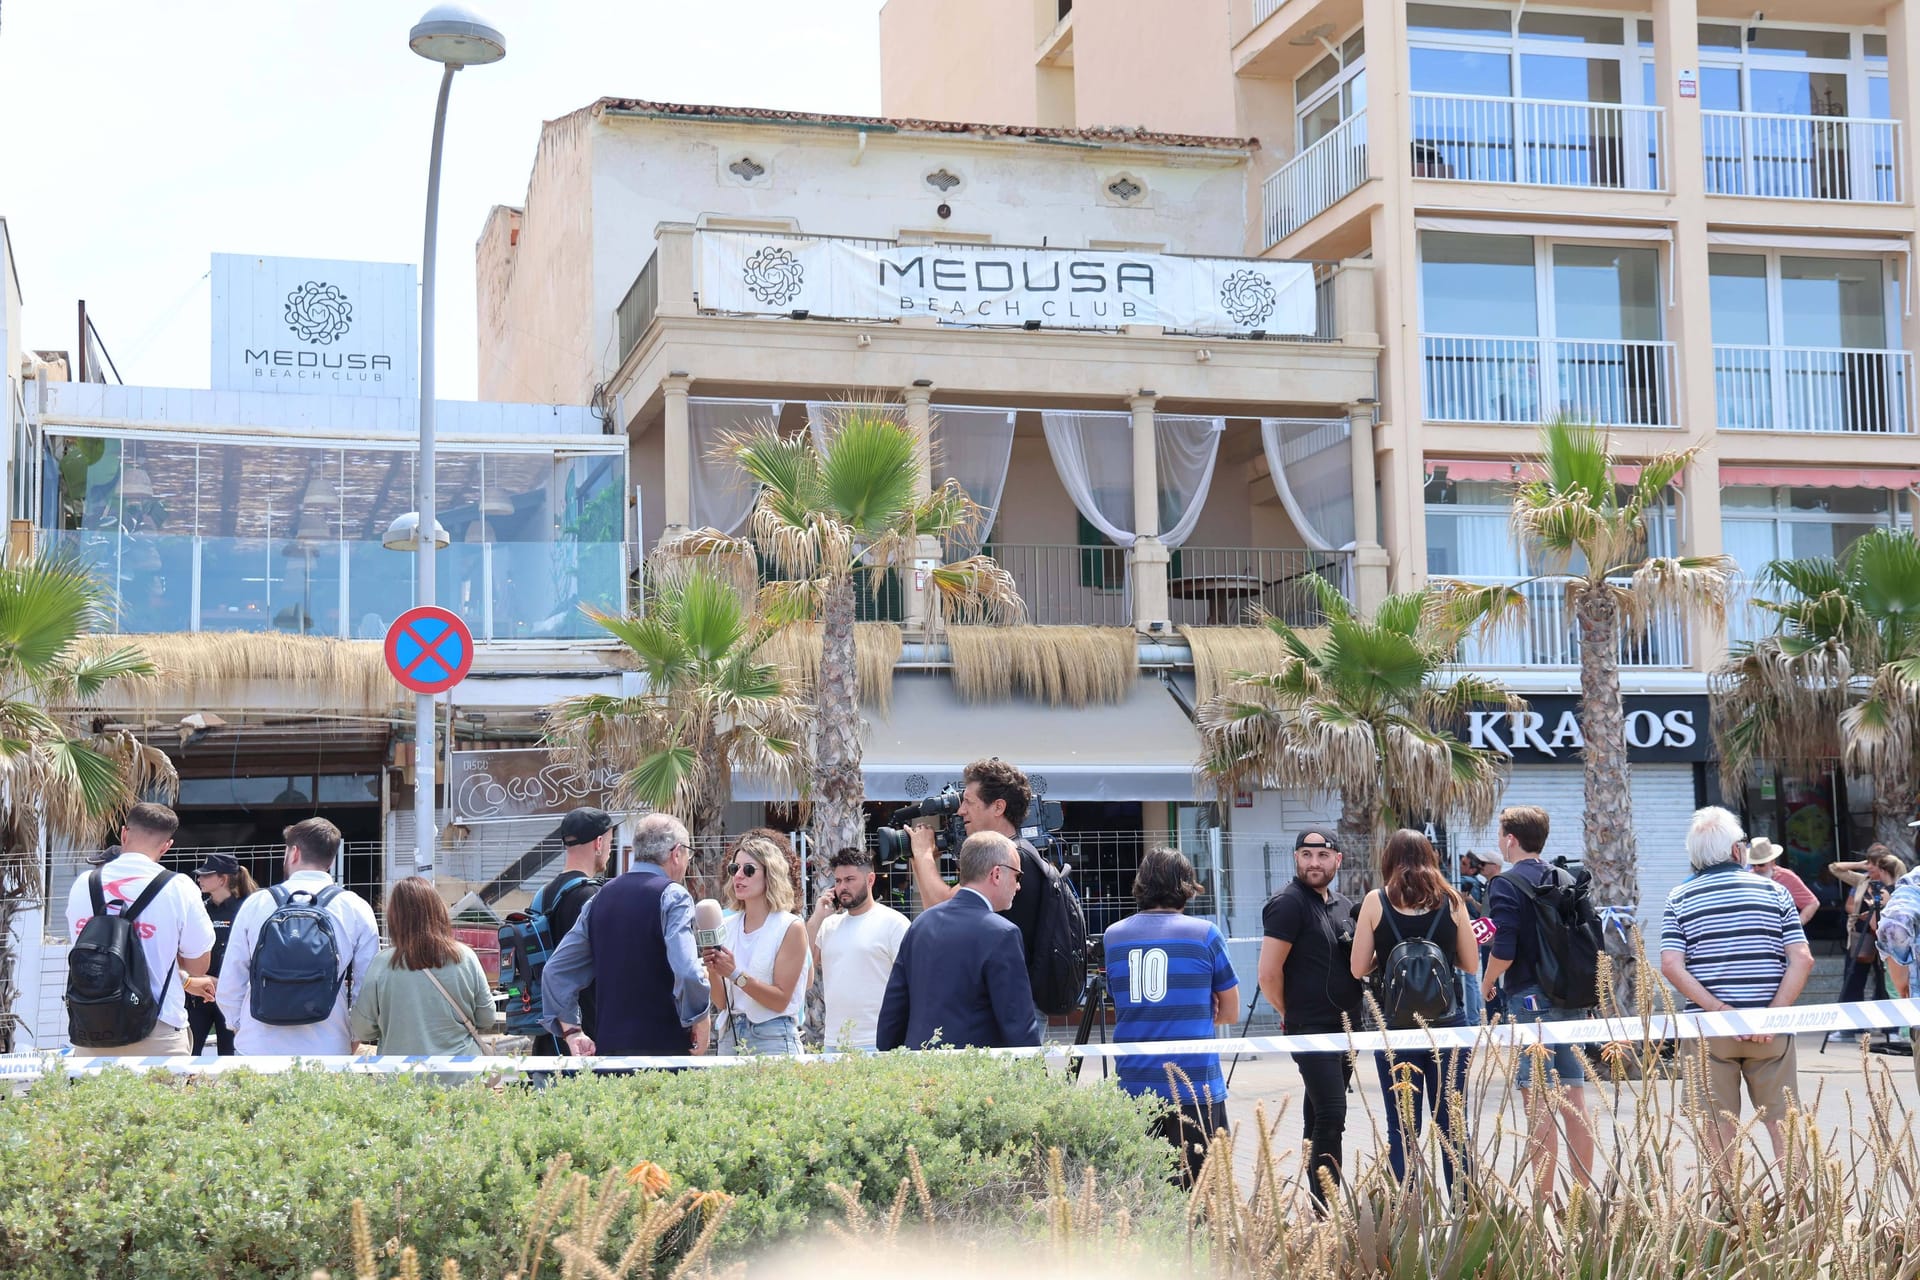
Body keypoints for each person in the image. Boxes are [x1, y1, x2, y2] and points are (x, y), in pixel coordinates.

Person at [1659, 806, 1814, 1178]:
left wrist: (1717, 1008)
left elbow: (1670, 965)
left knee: (1717, 1126)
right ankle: (1805, 1220)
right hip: (1769, 1031)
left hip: (1710, 1031)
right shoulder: (1775, 892)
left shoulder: (1679, 898)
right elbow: (1802, 958)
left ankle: (1727, 1219)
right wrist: (1772, 1014)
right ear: (1735, 851)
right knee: (1783, 1124)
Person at [1349, 828, 1479, 1192]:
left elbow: (1357, 968)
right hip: (1448, 1026)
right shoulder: (1452, 900)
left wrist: (1388, 958)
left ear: (1389, 859)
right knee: (1453, 1125)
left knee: (1402, 1127)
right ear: (1431, 857)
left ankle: (1406, 1217)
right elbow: (1470, 964)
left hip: (1396, 1028)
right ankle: (1464, 1214)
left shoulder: (1376, 901)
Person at [1106, 846, 1240, 1185]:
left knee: (1147, 1194)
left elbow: (1118, 999)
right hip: (1195, 1087)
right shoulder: (1205, 934)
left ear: (1141, 884)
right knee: (1204, 1193)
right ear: (1187, 886)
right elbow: (1231, 1011)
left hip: (1134, 1084)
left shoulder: (1113, 937)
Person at [1481, 805, 1596, 1196]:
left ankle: (1543, 1202)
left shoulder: (1505, 884)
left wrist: (1487, 981)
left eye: (1500, 835)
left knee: (1538, 1102)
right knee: (1574, 1095)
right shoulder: (1565, 876)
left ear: (1510, 839)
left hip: (1530, 1000)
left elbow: (1505, 948)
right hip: (1570, 996)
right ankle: (1583, 1194)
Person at [541, 812, 712, 1057]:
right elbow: (687, 971)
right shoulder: (674, 896)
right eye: (687, 853)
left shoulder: (599, 898)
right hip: (666, 1050)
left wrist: (572, 1032)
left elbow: (555, 971)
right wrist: (700, 1018)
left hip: (609, 1052)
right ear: (676, 853)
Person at [1258, 827, 1363, 1209]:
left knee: (1318, 1114)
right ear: (1296, 858)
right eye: (1305, 855)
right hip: (1312, 1030)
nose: (1313, 863)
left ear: (1337, 859)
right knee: (1332, 1114)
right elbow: (1268, 975)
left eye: (1322, 856)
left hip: (1349, 1029)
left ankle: (1317, 1202)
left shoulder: (1344, 906)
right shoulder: (1288, 903)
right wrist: (1294, 1016)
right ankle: (1327, 1208)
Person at [217, 817, 380, 1055]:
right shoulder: (355, 907)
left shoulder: (258, 903)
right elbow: (366, 985)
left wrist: (238, 1025)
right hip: (328, 1045)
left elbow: (232, 975)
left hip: (258, 1044)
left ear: (293, 853)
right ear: (332, 859)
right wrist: (353, 1034)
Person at [64, 803, 215, 1056]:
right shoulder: (179, 887)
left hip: (92, 1029)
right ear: (167, 846)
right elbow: (198, 965)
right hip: (158, 1028)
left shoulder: (84, 884)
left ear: (124, 834)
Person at [877, 831, 1042, 1051]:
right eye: (1017, 876)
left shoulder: (921, 923)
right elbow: (1018, 1023)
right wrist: (1037, 1078)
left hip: (917, 1069)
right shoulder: (1002, 934)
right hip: (974, 1074)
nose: (1019, 886)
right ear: (996, 874)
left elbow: (893, 1010)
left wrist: (889, 1063)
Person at [905, 759, 1046, 982]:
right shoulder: (1017, 850)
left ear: (998, 807)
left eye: (969, 802)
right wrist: (919, 860)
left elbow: (944, 911)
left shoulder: (1007, 857)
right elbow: (935, 913)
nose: (961, 811)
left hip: (1009, 1000)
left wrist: (922, 854)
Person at [349, 877, 497, 1055]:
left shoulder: (382, 963)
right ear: (439, 911)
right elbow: (487, 1018)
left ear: (395, 918)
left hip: (398, 1074)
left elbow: (363, 1028)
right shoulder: (465, 957)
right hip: (460, 1073)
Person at [704, 831, 810, 1055]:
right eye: (734, 869)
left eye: (749, 870)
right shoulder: (727, 924)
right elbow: (722, 1002)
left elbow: (780, 1000)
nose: (738, 876)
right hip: (730, 1035)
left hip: (773, 1036)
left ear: (770, 875)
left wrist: (734, 974)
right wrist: (714, 970)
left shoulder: (790, 927)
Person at [526, 807, 612, 1056]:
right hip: (585, 1038)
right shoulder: (593, 897)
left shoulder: (542, 896)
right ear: (598, 843)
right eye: (609, 842)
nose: (609, 849)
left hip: (546, 1034)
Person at [808, 847, 910, 1051]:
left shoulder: (894, 923)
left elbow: (911, 981)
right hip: (833, 1043)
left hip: (879, 1041)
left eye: (849, 879)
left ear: (870, 879)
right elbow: (805, 963)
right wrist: (818, 915)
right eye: (837, 881)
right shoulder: (828, 925)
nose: (842, 887)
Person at [1828, 846, 1906, 1041]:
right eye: (1869, 863)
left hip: (1886, 939)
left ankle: (1892, 1029)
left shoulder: (1899, 885)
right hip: (1862, 937)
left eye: (1874, 864)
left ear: (1884, 866)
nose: (1870, 868)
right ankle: (1849, 1028)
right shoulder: (1864, 880)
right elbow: (1835, 868)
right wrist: (1861, 864)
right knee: (1853, 979)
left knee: (1886, 984)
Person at [184, 853, 258, 1056]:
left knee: (230, 1057)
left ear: (223, 879)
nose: (199, 879)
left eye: (205, 875)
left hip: (233, 995)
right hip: (199, 994)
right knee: (189, 1054)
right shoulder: (199, 909)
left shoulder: (247, 909)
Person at [1746, 837, 1819, 927]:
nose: (1756, 868)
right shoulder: (1747, 877)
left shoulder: (1787, 877)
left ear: (1772, 861)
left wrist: (1795, 927)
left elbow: (1812, 903)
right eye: (1753, 865)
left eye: (1761, 864)